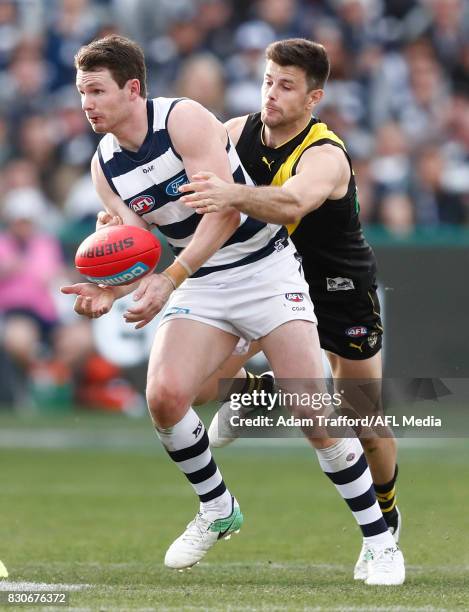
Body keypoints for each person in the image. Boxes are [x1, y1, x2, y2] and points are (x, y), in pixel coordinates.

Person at [61, 35, 404, 583]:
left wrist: (171, 278)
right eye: (82, 93)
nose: (86, 104)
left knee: (340, 414)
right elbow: (136, 238)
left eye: (96, 91)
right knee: (168, 396)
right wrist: (111, 287)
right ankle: (218, 507)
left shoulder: (197, 122)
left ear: (133, 88)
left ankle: (383, 536)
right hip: (203, 277)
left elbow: (231, 210)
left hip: (281, 270)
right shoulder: (107, 164)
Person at [180, 38, 402, 582]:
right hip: (269, 282)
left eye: (286, 86)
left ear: (314, 97)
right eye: (267, 80)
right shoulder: (233, 133)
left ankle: (387, 525)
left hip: (338, 288)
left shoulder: (325, 155)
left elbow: (291, 204)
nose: (271, 94)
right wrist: (118, 217)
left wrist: (231, 195)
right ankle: (259, 393)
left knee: (363, 421)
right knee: (201, 388)